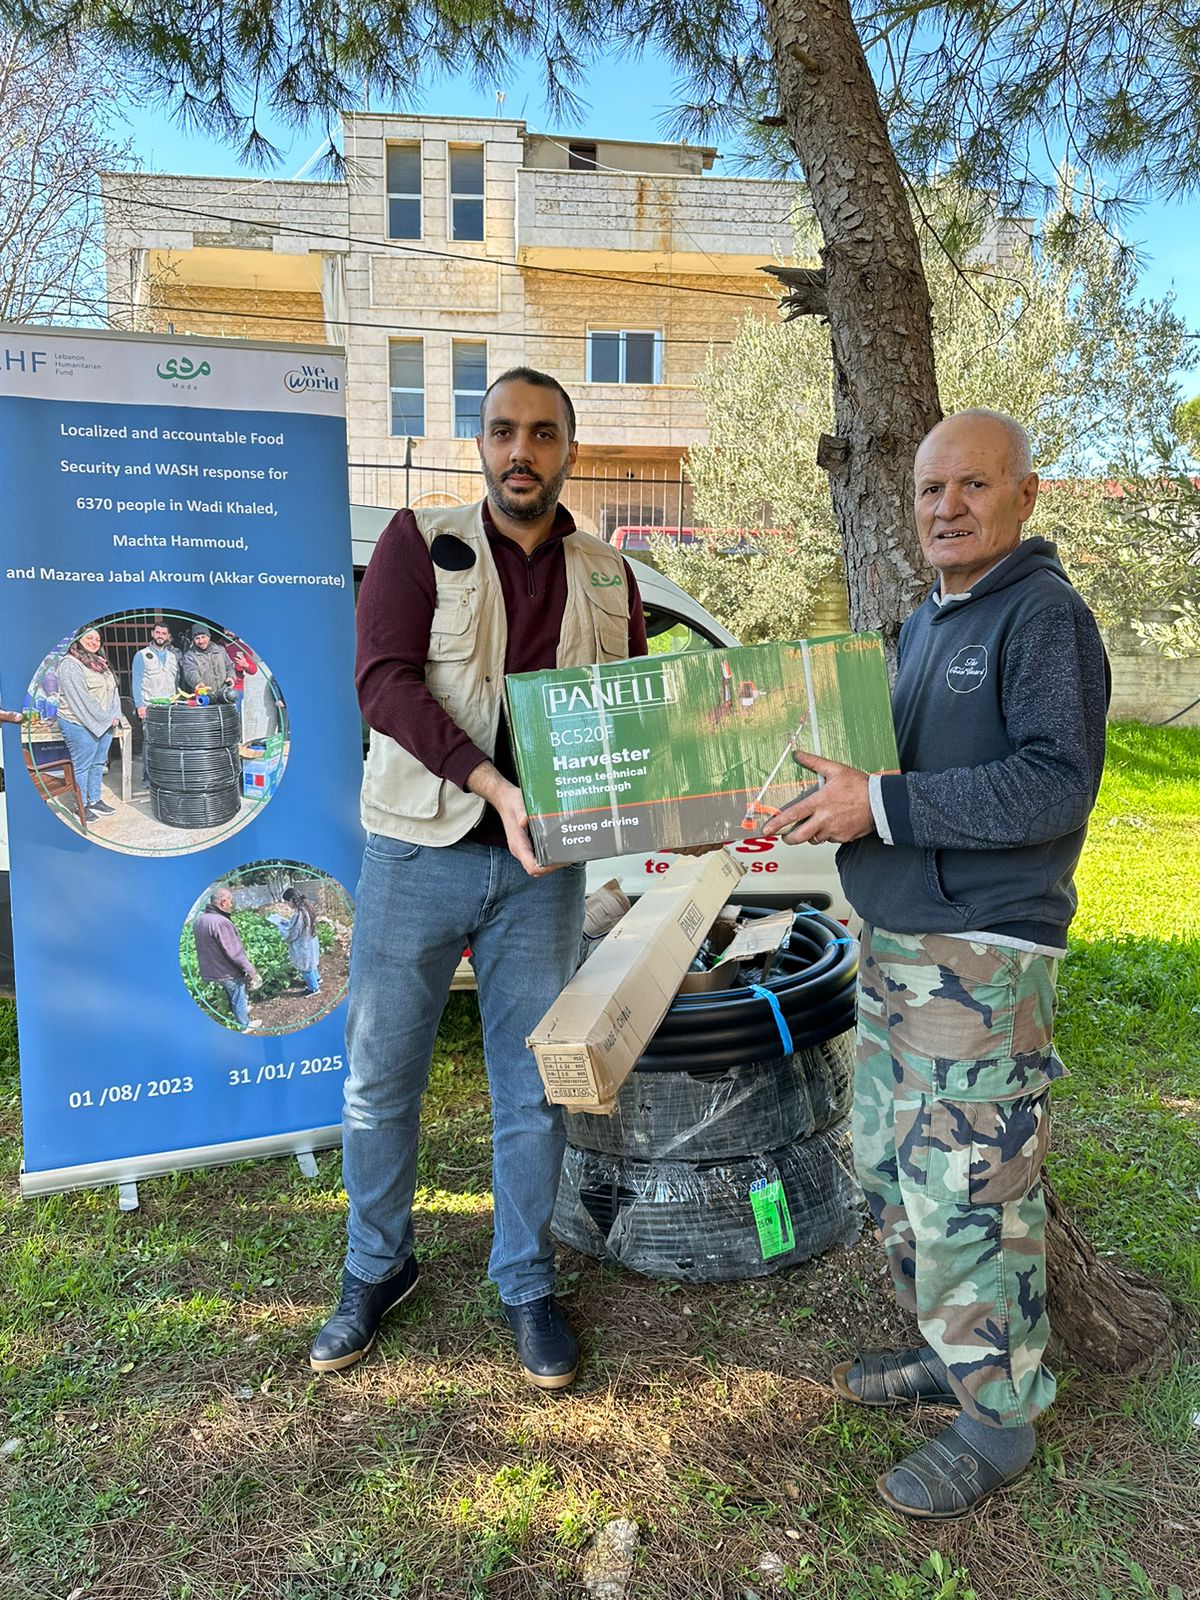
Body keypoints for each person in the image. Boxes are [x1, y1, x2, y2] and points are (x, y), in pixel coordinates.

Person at [763, 409, 1109, 1520]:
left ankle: (999, 1422)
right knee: (894, 1176)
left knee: (970, 1196)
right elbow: (883, 787)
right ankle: (952, 1353)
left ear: (1024, 495)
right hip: (896, 946)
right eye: (928, 490)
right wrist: (816, 805)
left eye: (970, 486)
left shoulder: (1042, 616)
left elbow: (1055, 781)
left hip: (980, 960)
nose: (945, 508)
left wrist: (884, 801)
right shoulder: (923, 623)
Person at [310, 367, 647, 1388]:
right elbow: (383, 684)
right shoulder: (421, 542)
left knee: (531, 1089)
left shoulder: (609, 576)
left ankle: (525, 1277)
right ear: (480, 444)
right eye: (503, 431)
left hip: (541, 872)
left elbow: (629, 716)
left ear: (569, 452)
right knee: (379, 1081)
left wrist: (688, 788)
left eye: (543, 435)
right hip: (419, 848)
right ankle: (376, 1265)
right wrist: (493, 783)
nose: (521, 452)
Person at [55, 627, 122, 824]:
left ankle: (94, 800)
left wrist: (115, 715)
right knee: (83, 766)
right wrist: (105, 719)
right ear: (79, 640)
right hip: (79, 723)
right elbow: (81, 700)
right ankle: (80, 806)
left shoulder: (100, 663)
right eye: (89, 638)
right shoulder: (70, 664)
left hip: (105, 721)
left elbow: (113, 690)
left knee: (98, 763)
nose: (94, 642)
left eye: (97, 639)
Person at [193, 886, 261, 1032]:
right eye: (231, 902)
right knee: (238, 993)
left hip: (212, 969)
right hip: (226, 970)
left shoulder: (201, 919)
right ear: (223, 902)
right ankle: (244, 1025)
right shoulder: (221, 922)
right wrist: (251, 971)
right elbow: (235, 953)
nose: (232, 905)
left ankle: (241, 1009)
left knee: (233, 994)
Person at [131, 619, 181, 785]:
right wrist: (139, 706)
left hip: (170, 708)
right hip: (150, 707)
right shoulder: (142, 655)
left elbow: (176, 682)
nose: (161, 636)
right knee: (150, 743)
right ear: (152, 634)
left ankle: (166, 777)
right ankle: (148, 778)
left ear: (168, 636)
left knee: (169, 743)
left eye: (164, 633)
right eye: (158, 632)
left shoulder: (173, 656)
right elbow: (136, 682)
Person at [275, 886, 321, 995]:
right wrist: (288, 923)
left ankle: (313, 988)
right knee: (311, 963)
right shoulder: (306, 908)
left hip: (303, 945)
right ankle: (317, 979)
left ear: (291, 900)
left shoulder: (298, 914)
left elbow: (292, 934)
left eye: (286, 902)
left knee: (306, 967)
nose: (287, 905)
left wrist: (281, 928)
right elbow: (299, 926)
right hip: (310, 941)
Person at [181, 624, 235, 696]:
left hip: (224, 694)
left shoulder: (220, 650)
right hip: (204, 696)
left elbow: (229, 667)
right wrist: (197, 682)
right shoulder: (189, 656)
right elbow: (190, 672)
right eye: (197, 638)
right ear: (193, 640)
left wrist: (231, 677)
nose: (201, 641)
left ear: (209, 637)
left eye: (203, 637)